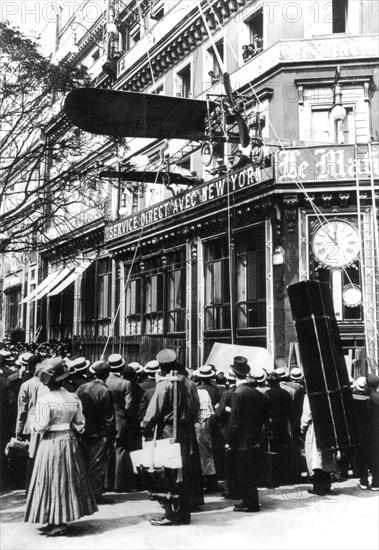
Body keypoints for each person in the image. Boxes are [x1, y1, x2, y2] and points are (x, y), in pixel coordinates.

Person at [24, 357, 98, 536]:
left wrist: (34, 424)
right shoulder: (73, 397)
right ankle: (59, 519)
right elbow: (80, 424)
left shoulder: (45, 399)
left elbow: (39, 426)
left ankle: (55, 522)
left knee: (51, 479)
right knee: (67, 480)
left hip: (51, 442)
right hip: (70, 440)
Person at [141, 348, 200, 526]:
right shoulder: (191, 384)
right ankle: (184, 513)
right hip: (186, 433)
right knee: (184, 473)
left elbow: (153, 412)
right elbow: (196, 408)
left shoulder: (165, 384)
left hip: (168, 432)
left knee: (168, 473)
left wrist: (144, 428)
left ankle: (171, 514)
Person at [225, 356, 268, 512]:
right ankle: (249, 501)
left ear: (234, 374)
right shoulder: (255, 392)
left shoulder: (238, 393)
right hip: (253, 438)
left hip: (241, 440)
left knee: (243, 472)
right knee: (251, 472)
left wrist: (229, 439)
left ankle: (250, 503)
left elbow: (234, 420)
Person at [76, 360, 116, 504]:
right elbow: (109, 417)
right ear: (107, 374)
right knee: (97, 465)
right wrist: (111, 435)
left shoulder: (82, 387)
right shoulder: (105, 391)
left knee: (84, 463)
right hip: (99, 433)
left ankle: (83, 493)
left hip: (83, 431)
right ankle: (95, 495)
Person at [15, 355, 48, 490]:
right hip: (44, 424)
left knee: (31, 456)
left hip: (30, 424)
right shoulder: (46, 384)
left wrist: (19, 430)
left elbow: (22, 410)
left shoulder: (25, 385)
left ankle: (29, 487)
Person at [106, 353, 133, 492]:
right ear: (122, 366)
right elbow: (128, 405)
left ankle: (107, 483)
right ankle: (119, 484)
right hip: (121, 420)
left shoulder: (104, 381)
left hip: (105, 420)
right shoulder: (125, 383)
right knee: (120, 451)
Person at [300, 393, 335, 495]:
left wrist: (303, 427)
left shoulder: (310, 395)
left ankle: (318, 487)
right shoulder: (329, 392)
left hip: (315, 428)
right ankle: (327, 486)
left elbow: (307, 415)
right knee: (326, 457)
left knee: (315, 457)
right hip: (328, 427)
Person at [194, 365, 218, 493]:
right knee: (208, 453)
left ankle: (203, 481)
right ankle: (210, 482)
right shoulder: (216, 390)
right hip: (208, 424)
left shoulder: (198, 391)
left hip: (199, 424)